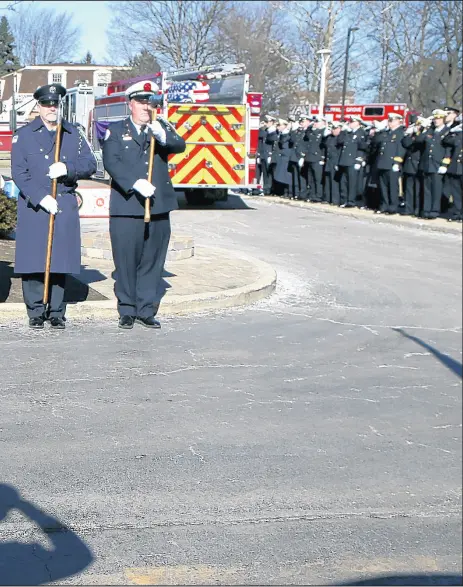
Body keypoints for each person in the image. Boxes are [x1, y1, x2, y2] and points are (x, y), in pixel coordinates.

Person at [11, 83, 97, 330]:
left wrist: (69, 169)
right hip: (35, 205)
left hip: (63, 202)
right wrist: (40, 197)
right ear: (38, 106)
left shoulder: (73, 133)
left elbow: (89, 164)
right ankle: (36, 310)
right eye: (46, 104)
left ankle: (57, 311)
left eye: (55, 104)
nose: (51, 108)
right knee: (34, 259)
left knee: (60, 259)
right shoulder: (24, 135)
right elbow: (19, 172)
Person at [102, 80, 186, 330]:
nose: (145, 107)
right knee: (126, 260)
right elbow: (111, 161)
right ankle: (127, 309)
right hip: (127, 206)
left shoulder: (160, 128)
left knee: (152, 260)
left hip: (157, 206)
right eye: (140, 102)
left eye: (149, 102)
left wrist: (162, 134)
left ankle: (146, 308)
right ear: (131, 104)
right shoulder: (116, 130)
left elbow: (180, 145)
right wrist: (134, 182)